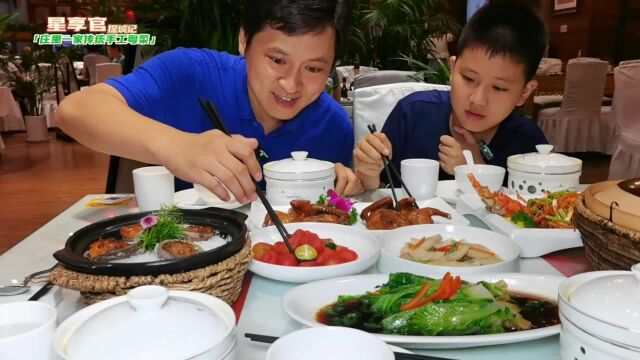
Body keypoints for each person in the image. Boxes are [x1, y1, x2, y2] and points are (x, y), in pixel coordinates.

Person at [56, 0, 362, 205]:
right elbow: (74, 111)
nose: (291, 84)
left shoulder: (333, 126)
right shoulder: (189, 73)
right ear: (244, 41)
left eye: (313, 68)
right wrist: (180, 147)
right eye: (277, 60)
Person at [354, 1, 549, 190]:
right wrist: (368, 172)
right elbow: (377, 187)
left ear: (524, 92)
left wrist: (475, 170)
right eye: (468, 78)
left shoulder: (528, 146)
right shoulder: (413, 113)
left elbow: (534, 212)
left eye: (498, 88)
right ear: (453, 68)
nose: (477, 100)